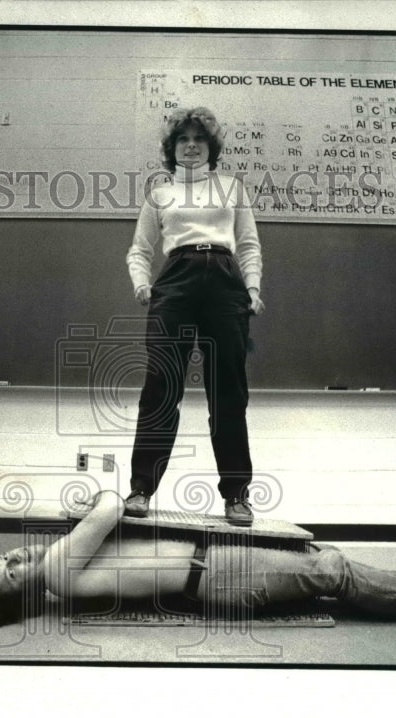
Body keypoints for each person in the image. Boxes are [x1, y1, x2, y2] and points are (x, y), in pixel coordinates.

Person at [0, 491, 396, 628]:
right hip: (216, 577)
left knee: (313, 557)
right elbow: (110, 504)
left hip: (213, 563)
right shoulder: (60, 571)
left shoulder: (62, 561)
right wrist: (91, 506)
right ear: (24, 594)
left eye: (6, 561)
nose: (17, 559)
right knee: (328, 568)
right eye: (12, 574)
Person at [125, 107, 264, 526]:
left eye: (198, 140)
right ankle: (141, 489)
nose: (190, 145)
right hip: (177, 281)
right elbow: (140, 250)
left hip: (224, 282)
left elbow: (249, 244)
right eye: (182, 140)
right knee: (161, 386)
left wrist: (253, 289)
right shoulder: (160, 194)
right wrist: (141, 283)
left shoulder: (232, 187)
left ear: (210, 147)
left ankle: (237, 496)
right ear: (172, 149)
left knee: (228, 392)